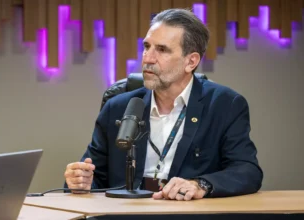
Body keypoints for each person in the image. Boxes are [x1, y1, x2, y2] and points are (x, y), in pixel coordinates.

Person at [64, 8, 263, 201]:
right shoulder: (117, 107)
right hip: (125, 214)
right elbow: (95, 177)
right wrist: (80, 181)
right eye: (147, 46)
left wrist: (200, 184)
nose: (148, 58)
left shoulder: (224, 105)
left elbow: (247, 171)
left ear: (191, 61)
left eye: (162, 50)